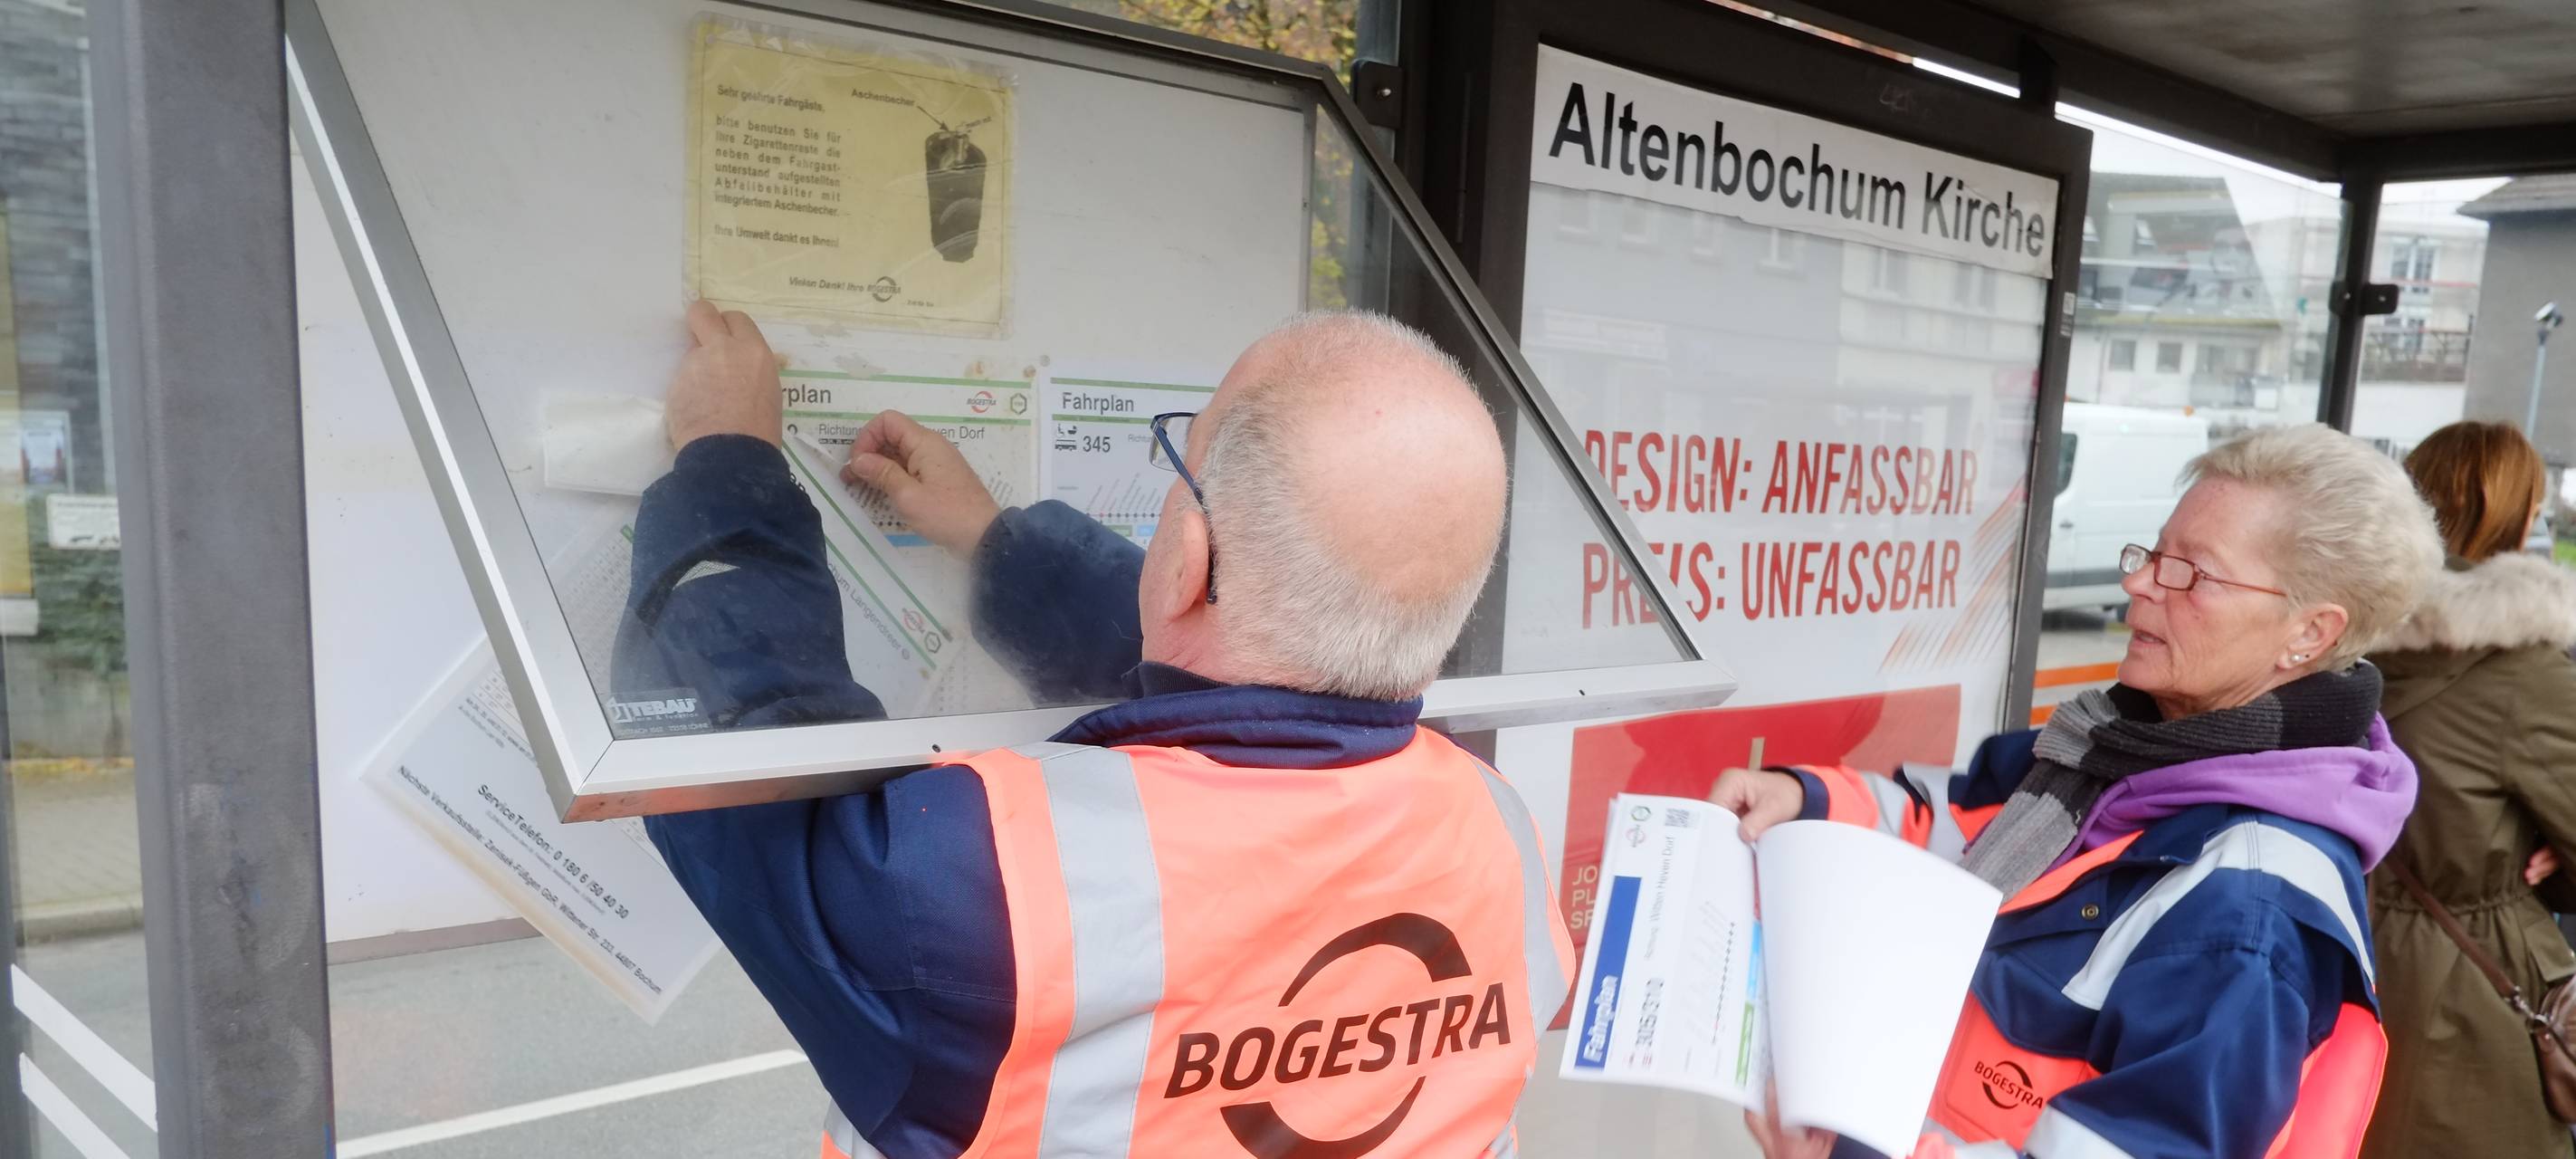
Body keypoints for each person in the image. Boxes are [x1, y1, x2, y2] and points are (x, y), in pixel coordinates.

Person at [616, 302, 1574, 1159]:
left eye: (1178, 462)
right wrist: (995, 541)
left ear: (1185, 559)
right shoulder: (1500, 838)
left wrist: (723, 457)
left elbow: (750, 760)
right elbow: (1259, 685)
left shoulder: (987, 892)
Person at [1710, 424, 2444, 1159]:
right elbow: (1961, 824)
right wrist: (1811, 804)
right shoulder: (2112, 750)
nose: (2138, 583)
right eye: (2155, 553)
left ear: (2310, 633)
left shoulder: (2247, 912)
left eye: (2193, 572)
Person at [2360, 420, 2576, 1159]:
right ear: (2519, 520)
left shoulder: (2333, 636)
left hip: (2331, 952)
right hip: (2469, 996)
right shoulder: (2526, 671)